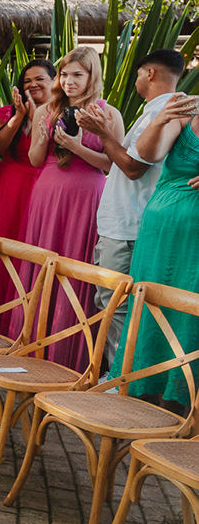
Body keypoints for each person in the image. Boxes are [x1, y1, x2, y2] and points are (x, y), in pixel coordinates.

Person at [78, 49, 184, 371]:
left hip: (129, 227)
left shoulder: (165, 111)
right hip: (120, 223)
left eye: (138, 73)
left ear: (148, 73)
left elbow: (133, 167)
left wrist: (103, 133)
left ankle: (120, 382)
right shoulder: (156, 110)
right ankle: (117, 377)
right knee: (110, 303)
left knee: (118, 307)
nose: (137, 79)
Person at [11, 46, 112, 369]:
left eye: (77, 75)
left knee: (75, 267)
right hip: (49, 193)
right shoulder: (47, 110)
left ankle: (68, 352)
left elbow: (112, 164)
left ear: (91, 76)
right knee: (41, 264)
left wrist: (77, 147)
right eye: (65, 74)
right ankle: (31, 342)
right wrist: (42, 138)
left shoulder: (108, 114)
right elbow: (36, 160)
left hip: (87, 196)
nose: (69, 81)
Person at [119, 89, 199, 402]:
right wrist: (161, 119)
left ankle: (183, 405)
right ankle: (141, 395)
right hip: (161, 233)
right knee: (152, 310)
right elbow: (147, 155)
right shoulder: (186, 108)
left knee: (189, 317)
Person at [0, 59, 56, 332]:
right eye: (27, 80)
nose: (32, 84)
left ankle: (18, 322)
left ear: (55, 82)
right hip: (7, 187)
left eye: (40, 79)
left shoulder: (59, 114)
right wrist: (19, 116)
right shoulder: (9, 111)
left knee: (26, 250)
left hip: (40, 189)